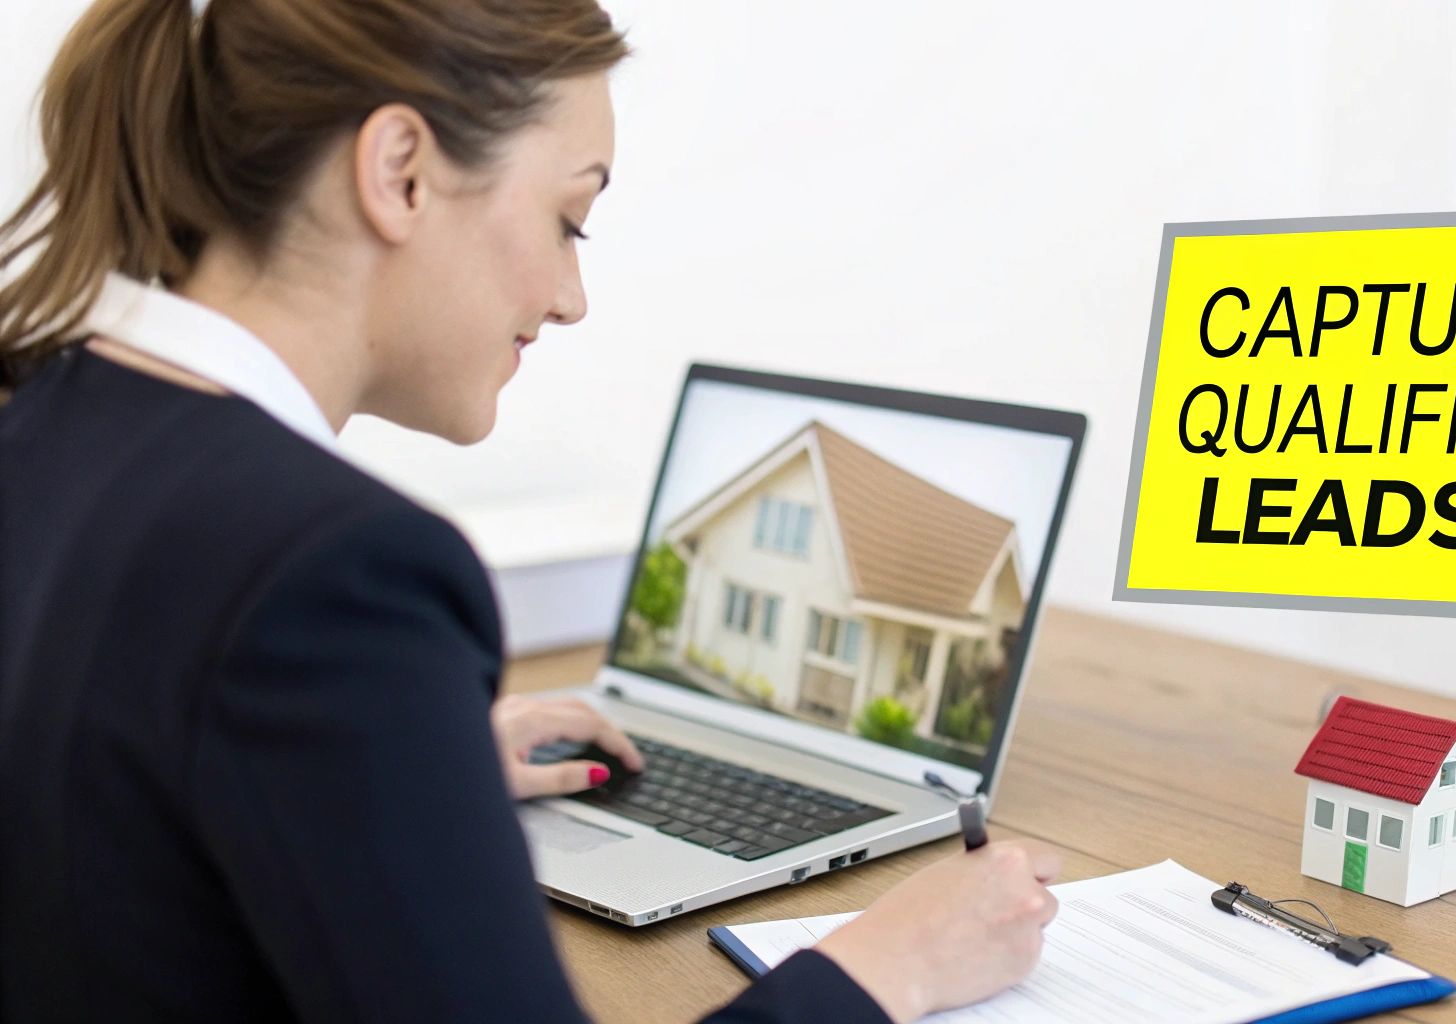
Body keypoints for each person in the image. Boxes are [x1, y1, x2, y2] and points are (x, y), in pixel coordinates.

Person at [0, 1, 1061, 1021]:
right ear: (400, 171)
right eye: (568, 221)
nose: (569, 296)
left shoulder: (41, 422)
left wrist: (404, 762)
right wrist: (884, 966)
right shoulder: (334, 575)